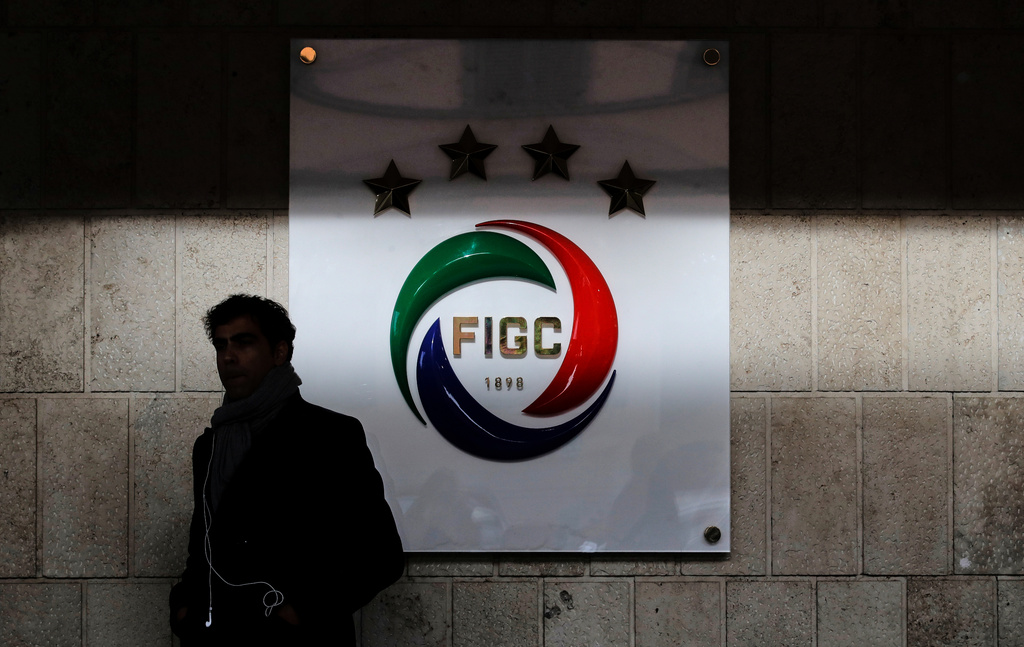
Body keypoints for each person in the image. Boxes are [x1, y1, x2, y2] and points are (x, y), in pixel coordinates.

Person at [170, 294, 404, 646]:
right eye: (221, 345)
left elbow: (381, 555)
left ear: (279, 353)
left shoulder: (329, 435)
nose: (228, 357)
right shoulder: (210, 445)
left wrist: (300, 612)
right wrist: (185, 606)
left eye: (244, 342)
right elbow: (203, 544)